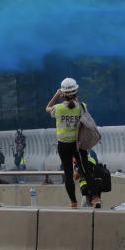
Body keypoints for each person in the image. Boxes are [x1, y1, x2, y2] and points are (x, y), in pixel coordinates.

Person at [45, 77, 87, 208]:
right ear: (76, 92)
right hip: (77, 143)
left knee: (68, 174)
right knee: (85, 169)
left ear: (62, 94)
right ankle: (95, 197)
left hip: (63, 145)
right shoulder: (81, 106)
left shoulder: (58, 108)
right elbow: (79, 107)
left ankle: (73, 202)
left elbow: (47, 107)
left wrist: (56, 95)